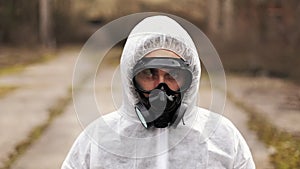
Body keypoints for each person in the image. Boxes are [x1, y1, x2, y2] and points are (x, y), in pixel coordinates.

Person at [62, 15, 255, 169]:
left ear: (191, 79)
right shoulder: (96, 141)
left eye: (173, 74)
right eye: (148, 73)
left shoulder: (223, 139)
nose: (160, 88)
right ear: (130, 79)